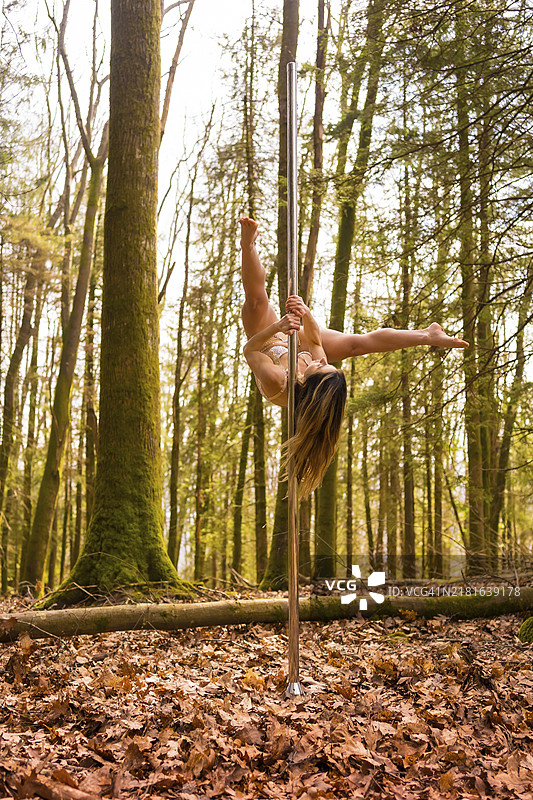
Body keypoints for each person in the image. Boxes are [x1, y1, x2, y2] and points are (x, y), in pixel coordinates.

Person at [239, 216, 467, 496]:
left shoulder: (276, 381)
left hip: (266, 343)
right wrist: (305, 313)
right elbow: (313, 340)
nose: (322, 361)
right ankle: (427, 335)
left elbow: (248, 349)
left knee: (256, 300)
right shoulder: (317, 366)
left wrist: (278, 327)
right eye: (327, 365)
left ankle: (247, 245)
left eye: (322, 367)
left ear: (309, 387)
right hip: (292, 343)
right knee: (355, 345)